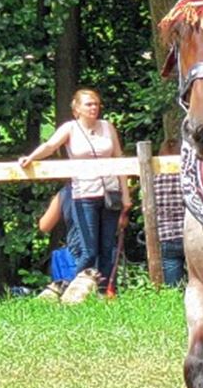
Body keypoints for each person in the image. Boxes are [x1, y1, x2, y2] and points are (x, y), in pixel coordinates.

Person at [19, 88, 131, 291]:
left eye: (96, 104)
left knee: (107, 249)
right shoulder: (70, 128)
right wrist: (31, 157)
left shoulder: (107, 126)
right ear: (76, 108)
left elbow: (119, 158)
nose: (94, 108)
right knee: (88, 250)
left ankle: (102, 293)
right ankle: (71, 290)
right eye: (89, 104)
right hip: (84, 195)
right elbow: (50, 146)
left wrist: (126, 195)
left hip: (109, 194)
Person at [153, 137, 186, 287]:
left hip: (166, 235)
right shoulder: (188, 177)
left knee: (173, 286)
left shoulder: (154, 178)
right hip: (188, 233)